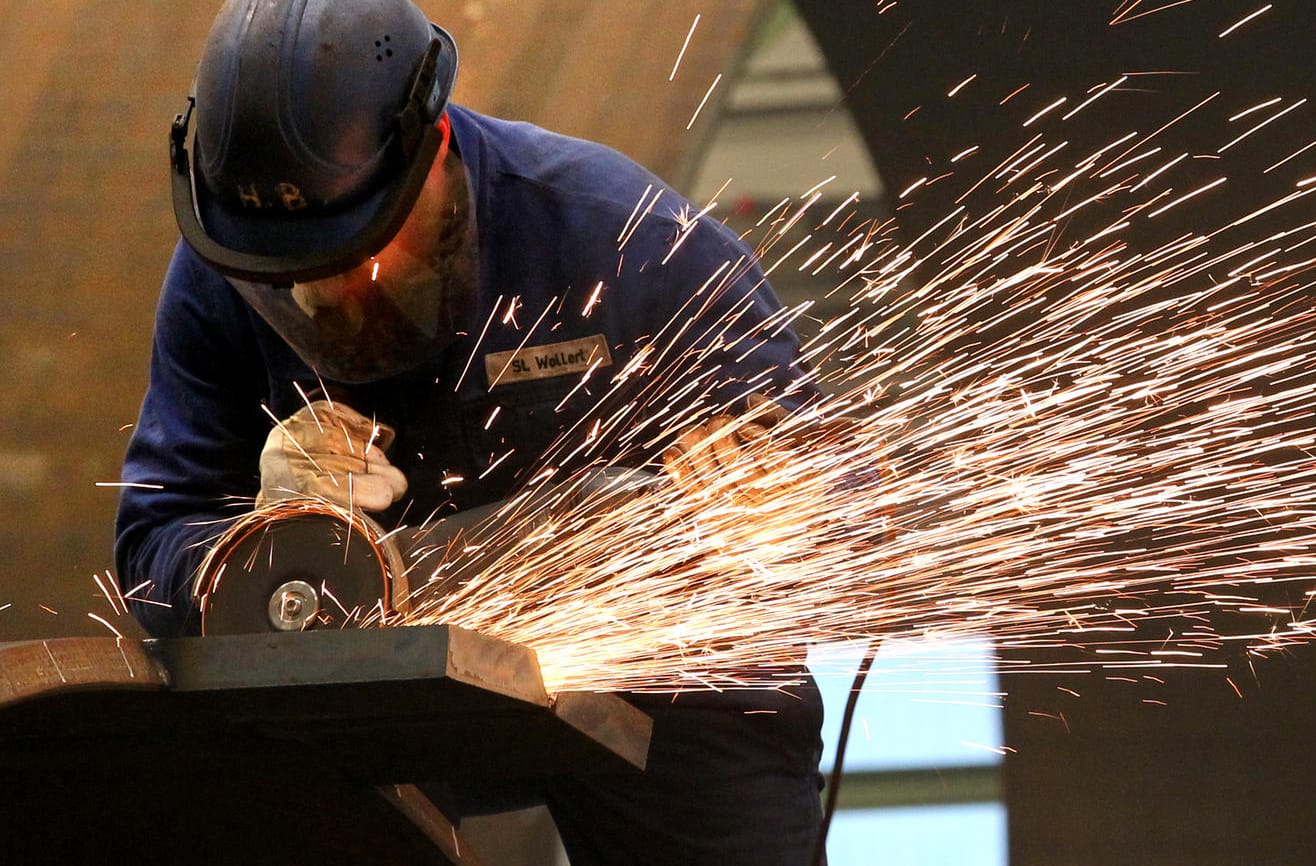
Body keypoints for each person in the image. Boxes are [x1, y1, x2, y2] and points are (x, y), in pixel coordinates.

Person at [114, 0, 826, 862]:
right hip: (365, 684)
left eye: (353, 259)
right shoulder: (219, 276)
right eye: (283, 279)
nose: (312, 300)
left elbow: (837, 502)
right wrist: (251, 546)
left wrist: (789, 510)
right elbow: (155, 536)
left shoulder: (624, 237)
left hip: (664, 683)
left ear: (434, 153)